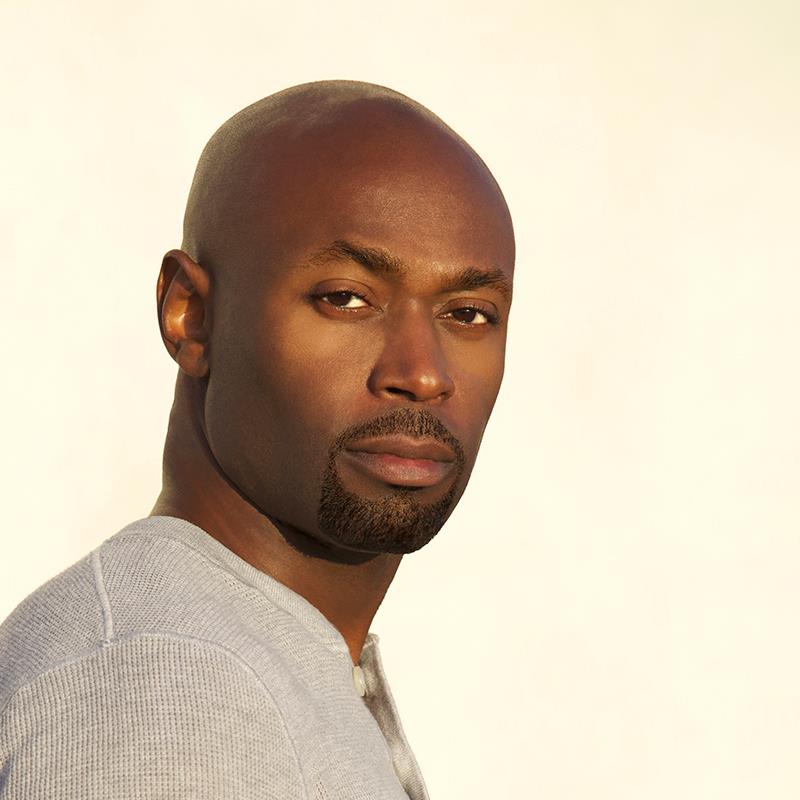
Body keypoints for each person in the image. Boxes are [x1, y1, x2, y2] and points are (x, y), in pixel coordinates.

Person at [0, 80, 515, 799]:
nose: (423, 374)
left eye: (469, 313)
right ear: (191, 317)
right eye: (346, 299)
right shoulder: (166, 689)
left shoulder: (262, 659)